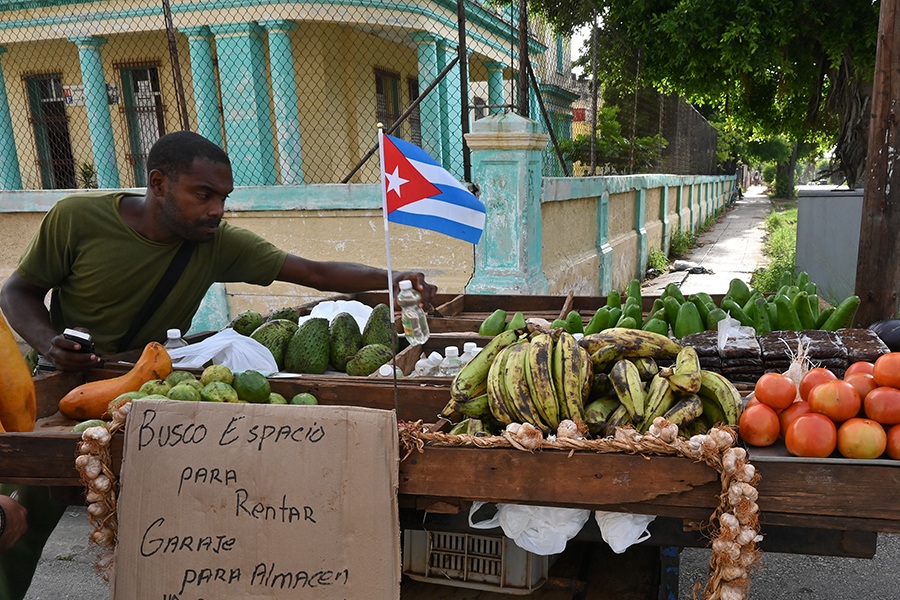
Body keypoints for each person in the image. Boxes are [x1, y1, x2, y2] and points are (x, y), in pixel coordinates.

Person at [0, 130, 438, 598]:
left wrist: (393, 278)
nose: (216, 209)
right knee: (21, 517)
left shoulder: (214, 242)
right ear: (159, 183)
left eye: (223, 198)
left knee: (171, 522)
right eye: (203, 194)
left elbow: (312, 272)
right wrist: (49, 342)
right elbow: (18, 290)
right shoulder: (78, 219)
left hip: (153, 388)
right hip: (70, 384)